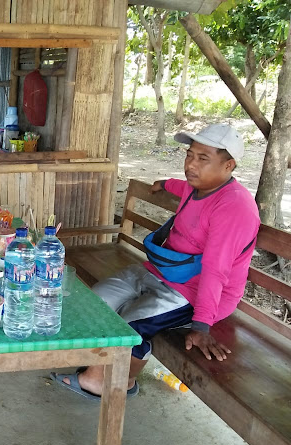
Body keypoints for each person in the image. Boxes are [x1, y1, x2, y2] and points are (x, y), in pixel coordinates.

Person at [51, 124, 260, 400]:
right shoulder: (197, 186)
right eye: (189, 155)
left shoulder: (233, 207)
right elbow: (181, 185)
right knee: (96, 302)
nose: (191, 165)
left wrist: (200, 326)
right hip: (159, 270)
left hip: (194, 293)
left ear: (228, 165)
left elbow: (216, 270)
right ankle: (101, 365)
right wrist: (164, 184)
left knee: (130, 326)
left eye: (202, 158)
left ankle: (114, 381)